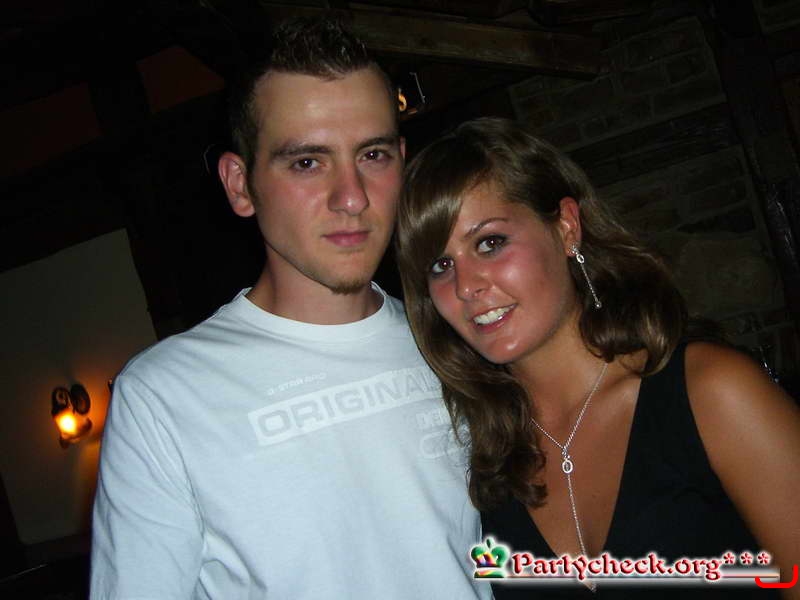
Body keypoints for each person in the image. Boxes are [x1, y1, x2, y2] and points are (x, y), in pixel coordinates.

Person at [91, 19, 490, 599]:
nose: (352, 196)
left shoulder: (454, 338)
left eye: (373, 154)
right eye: (307, 162)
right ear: (240, 185)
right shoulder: (163, 397)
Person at [396, 117, 800, 598]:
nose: (466, 286)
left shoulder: (711, 392)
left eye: (490, 243)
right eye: (440, 266)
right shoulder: (479, 457)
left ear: (566, 227)